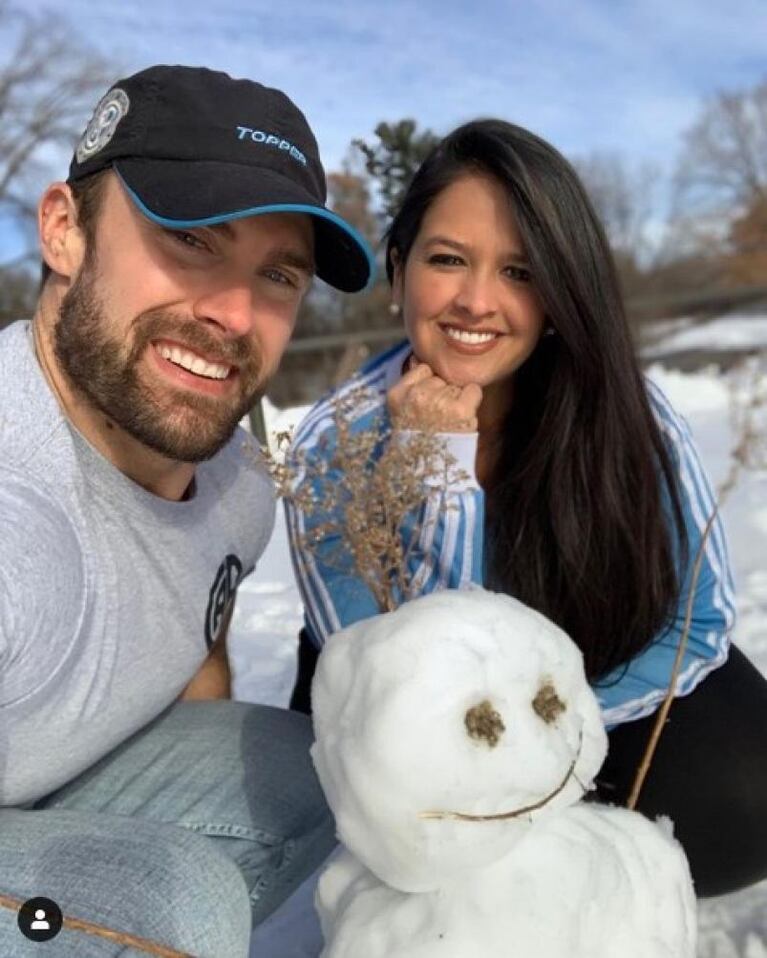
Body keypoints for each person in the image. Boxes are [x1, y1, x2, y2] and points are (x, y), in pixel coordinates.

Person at [285, 119, 767, 898]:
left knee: (746, 789)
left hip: (580, 685)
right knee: (404, 847)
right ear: (399, 269)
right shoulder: (333, 447)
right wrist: (434, 468)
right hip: (399, 700)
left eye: (519, 270)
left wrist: (556, 748)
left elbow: (696, 624)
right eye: (447, 260)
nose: (478, 302)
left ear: (557, 291)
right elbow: (417, 689)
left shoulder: (622, 410)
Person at [0, 65, 374, 956]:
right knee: (174, 907)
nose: (236, 313)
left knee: (322, 768)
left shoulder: (236, 479)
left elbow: (196, 628)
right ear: (64, 230)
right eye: (193, 240)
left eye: (277, 275)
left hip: (46, 787)